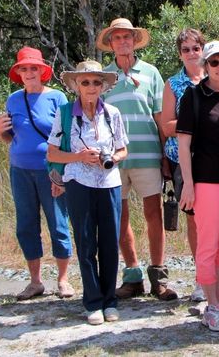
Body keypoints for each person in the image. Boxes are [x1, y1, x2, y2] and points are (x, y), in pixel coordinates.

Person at [159, 29, 219, 302]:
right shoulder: (184, 90)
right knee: (202, 232)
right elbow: (169, 128)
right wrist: (198, 123)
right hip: (196, 171)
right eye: (215, 62)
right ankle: (208, 291)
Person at [97, 18, 177, 300]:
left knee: (153, 214)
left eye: (127, 37)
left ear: (134, 41)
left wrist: (166, 154)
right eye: (117, 38)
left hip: (147, 154)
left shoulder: (151, 73)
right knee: (119, 217)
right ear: (110, 44)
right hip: (114, 160)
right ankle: (132, 276)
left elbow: (159, 116)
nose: (122, 42)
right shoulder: (103, 77)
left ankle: (159, 278)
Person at [46, 61, 128, 325]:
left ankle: (110, 300)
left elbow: (123, 149)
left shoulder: (112, 113)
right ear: (76, 86)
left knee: (109, 244)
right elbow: (52, 153)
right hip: (78, 183)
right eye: (85, 82)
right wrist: (79, 156)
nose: (91, 87)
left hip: (109, 183)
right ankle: (92, 302)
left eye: (96, 82)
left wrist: (112, 158)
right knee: (85, 243)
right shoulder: (65, 113)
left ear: (103, 86)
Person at [0, 46, 74, 301]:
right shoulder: (13, 100)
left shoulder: (57, 98)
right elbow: (9, 136)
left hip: (49, 169)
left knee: (58, 223)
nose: (29, 72)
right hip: (20, 169)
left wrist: (59, 173)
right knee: (26, 225)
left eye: (33, 68)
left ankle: (63, 279)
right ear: (18, 72)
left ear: (42, 71)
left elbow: (66, 139)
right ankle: (35, 281)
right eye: (24, 68)